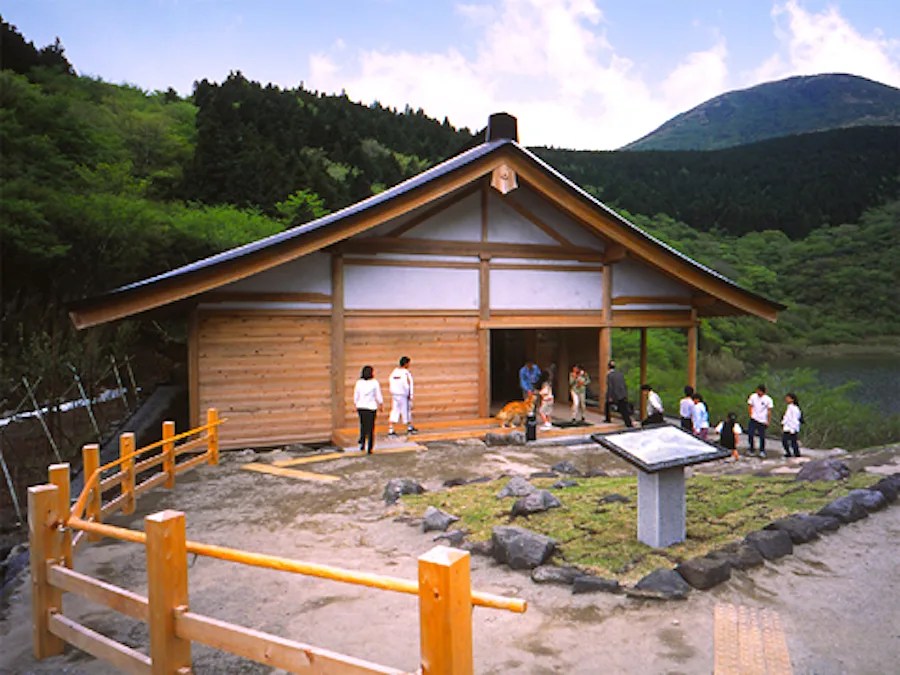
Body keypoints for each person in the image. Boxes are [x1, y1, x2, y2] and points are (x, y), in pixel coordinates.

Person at [353, 365, 383, 454]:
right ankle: (370, 448)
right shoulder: (374, 383)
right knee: (370, 428)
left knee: (363, 425)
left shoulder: (359, 383)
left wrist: (356, 404)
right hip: (371, 407)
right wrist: (380, 404)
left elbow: (356, 395)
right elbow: (378, 395)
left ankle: (362, 443)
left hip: (361, 407)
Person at [388, 356, 417, 436]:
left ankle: (391, 428)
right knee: (406, 411)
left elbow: (391, 382)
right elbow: (407, 384)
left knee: (395, 410)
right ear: (406, 363)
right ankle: (409, 428)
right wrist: (409, 395)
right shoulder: (405, 373)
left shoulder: (394, 372)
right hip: (403, 395)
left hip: (395, 395)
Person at [747, 384, 774, 458]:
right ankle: (751, 448)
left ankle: (762, 450)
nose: (759, 393)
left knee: (762, 436)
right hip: (754, 418)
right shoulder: (753, 396)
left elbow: (769, 411)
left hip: (762, 420)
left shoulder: (768, 399)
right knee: (750, 434)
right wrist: (751, 414)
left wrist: (768, 421)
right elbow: (750, 405)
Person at [606, 360, 633, 428]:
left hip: (616, 395)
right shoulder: (620, 374)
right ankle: (628, 423)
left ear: (608, 367)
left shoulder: (610, 375)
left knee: (623, 410)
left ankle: (629, 424)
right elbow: (624, 384)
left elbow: (610, 387)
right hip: (623, 394)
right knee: (624, 409)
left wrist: (609, 396)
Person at [781, 392, 802, 458]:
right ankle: (788, 453)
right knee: (785, 441)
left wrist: (793, 429)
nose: (786, 399)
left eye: (788, 398)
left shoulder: (795, 408)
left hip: (792, 427)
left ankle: (796, 454)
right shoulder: (789, 407)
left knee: (793, 442)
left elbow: (795, 419)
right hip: (787, 427)